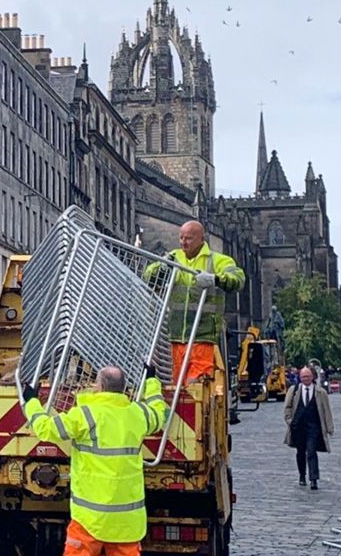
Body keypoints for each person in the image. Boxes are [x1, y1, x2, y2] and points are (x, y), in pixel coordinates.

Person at [21, 366, 167, 556]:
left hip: (89, 520)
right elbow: (158, 411)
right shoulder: (138, 414)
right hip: (127, 522)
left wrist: (31, 402)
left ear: (100, 387)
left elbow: (45, 429)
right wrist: (151, 382)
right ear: (123, 389)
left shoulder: (85, 415)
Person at [145, 220, 246, 383]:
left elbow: (238, 279)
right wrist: (162, 268)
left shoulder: (218, 260)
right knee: (179, 386)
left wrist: (215, 279)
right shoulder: (173, 257)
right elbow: (148, 276)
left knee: (196, 385)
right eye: (181, 238)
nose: (183, 242)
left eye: (189, 238)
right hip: (177, 336)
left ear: (201, 239)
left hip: (203, 335)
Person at [283, 366, 335, 490]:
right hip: (298, 427)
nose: (305, 379)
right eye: (303, 377)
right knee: (300, 452)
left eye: (307, 376)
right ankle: (302, 475)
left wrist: (329, 427)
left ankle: (314, 479)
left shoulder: (320, 392)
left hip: (314, 427)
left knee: (311, 451)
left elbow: (326, 410)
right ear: (300, 378)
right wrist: (290, 421)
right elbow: (287, 407)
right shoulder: (294, 390)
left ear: (312, 377)